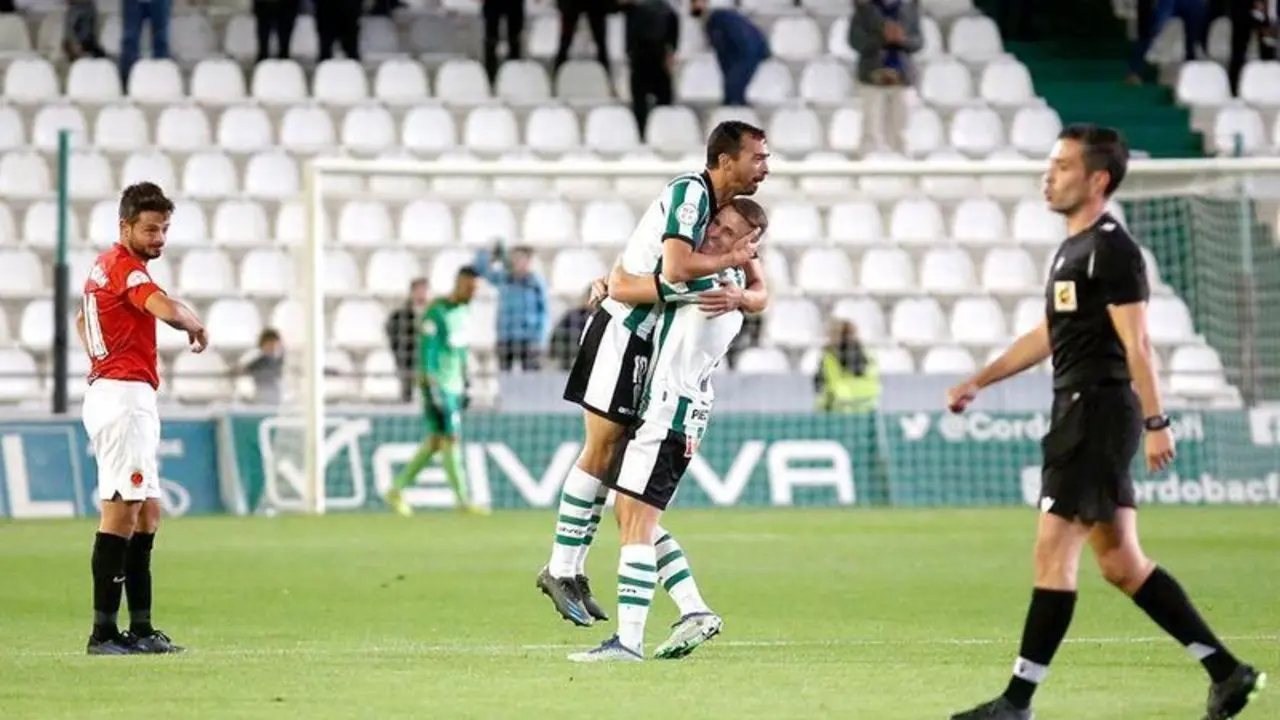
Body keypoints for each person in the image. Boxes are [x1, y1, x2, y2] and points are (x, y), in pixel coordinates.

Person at [946, 124, 1266, 720]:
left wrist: (1157, 420)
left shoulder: (1112, 249)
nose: (1049, 175)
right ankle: (1227, 672)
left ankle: (1017, 702)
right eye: (1051, 164)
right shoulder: (1073, 248)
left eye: (1063, 166)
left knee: (1053, 555)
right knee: (1122, 564)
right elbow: (1051, 333)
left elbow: (1138, 342)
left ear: (1097, 180)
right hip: (1082, 409)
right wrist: (980, 380)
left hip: (1094, 412)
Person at [536, 120, 769, 642]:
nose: (765, 167)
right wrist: (732, 266)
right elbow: (672, 269)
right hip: (624, 331)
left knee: (625, 493)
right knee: (602, 455)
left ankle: (662, 604)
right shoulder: (693, 196)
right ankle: (563, 568)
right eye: (757, 157)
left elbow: (751, 289)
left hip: (649, 348)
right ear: (725, 159)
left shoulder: (719, 223)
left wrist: (741, 284)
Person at [79, 182, 209, 655]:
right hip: (123, 398)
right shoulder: (126, 269)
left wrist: (102, 357)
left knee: (148, 513)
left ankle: (142, 628)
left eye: (164, 229)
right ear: (125, 227)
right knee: (121, 511)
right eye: (151, 229)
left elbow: (83, 322)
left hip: (122, 393)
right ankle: (103, 633)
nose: (159, 238)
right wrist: (192, 322)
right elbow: (164, 308)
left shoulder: (103, 268)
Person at [384, 268, 486, 517]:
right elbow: (426, 351)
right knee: (452, 438)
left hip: (455, 385)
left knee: (436, 441)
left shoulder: (464, 313)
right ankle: (462, 500)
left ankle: (397, 489)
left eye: (476, 290)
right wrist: (431, 385)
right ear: (458, 284)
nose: (472, 294)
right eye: (469, 288)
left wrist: (466, 381)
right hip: (438, 385)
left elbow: (461, 351)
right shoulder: (436, 312)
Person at [473, 243, 548, 372]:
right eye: (514, 258)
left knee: (531, 377)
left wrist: (540, 338)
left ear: (528, 260)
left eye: (520, 258)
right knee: (504, 375)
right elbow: (480, 269)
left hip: (529, 338)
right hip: (506, 336)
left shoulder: (535, 282)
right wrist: (492, 253)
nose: (516, 262)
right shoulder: (503, 278)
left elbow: (544, 312)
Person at [386, 278, 429, 403]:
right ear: (412, 292)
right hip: (409, 362)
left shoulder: (435, 314)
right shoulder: (400, 316)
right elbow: (393, 335)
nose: (422, 294)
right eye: (419, 290)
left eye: (424, 290)